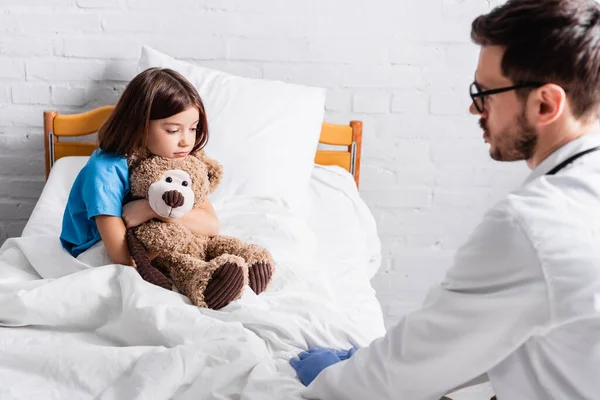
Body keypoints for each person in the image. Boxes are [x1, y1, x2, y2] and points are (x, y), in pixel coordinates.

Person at [290, 0, 600, 398]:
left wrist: (325, 382)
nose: (474, 107)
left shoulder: (534, 224)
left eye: (485, 93)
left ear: (545, 104)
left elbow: (398, 375)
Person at [60, 67, 219, 266]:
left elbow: (211, 225)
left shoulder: (177, 158)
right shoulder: (105, 170)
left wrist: (153, 209)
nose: (187, 141)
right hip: (97, 247)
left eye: (193, 128)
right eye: (173, 130)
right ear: (139, 125)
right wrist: (175, 218)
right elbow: (124, 258)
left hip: (148, 234)